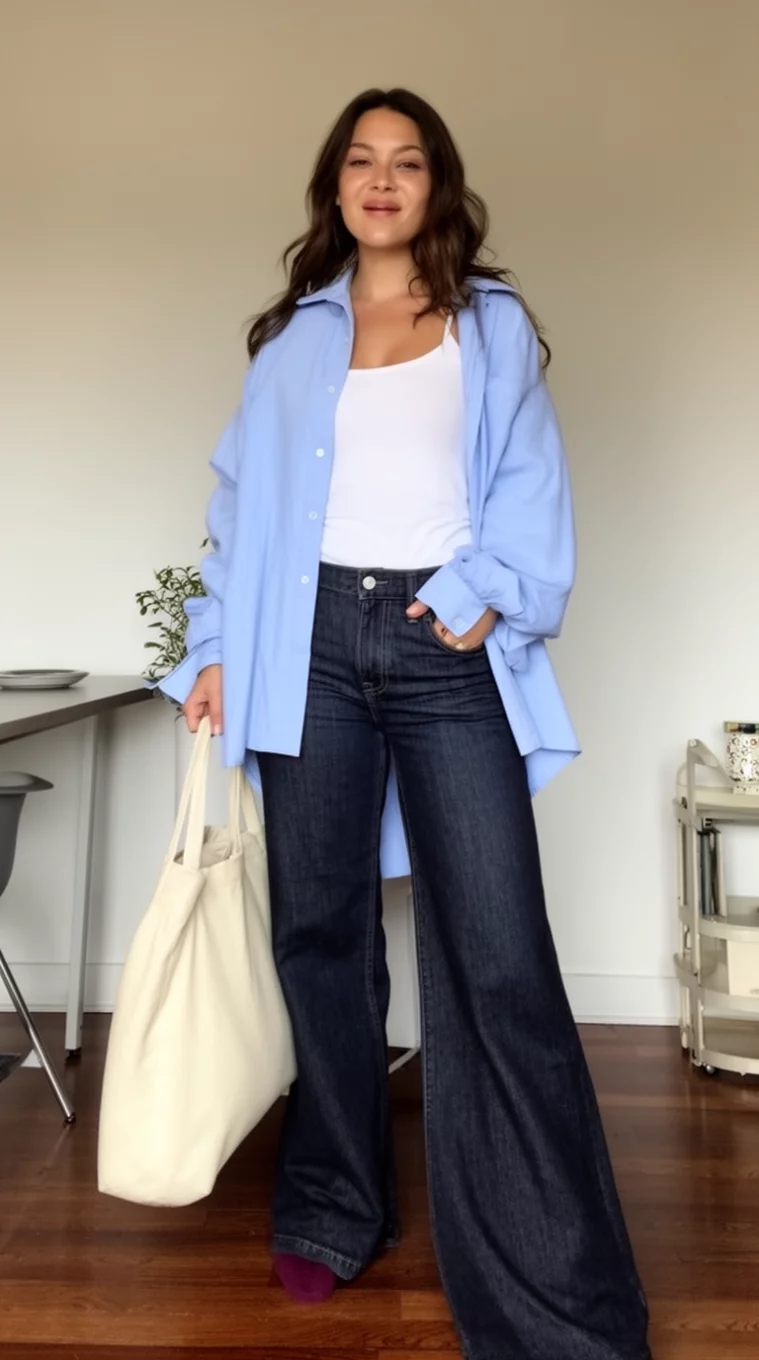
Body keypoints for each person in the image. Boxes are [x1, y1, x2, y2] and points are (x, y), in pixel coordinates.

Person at [158, 88, 652, 1360]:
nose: (383, 181)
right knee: (318, 931)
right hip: (304, 650)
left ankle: (555, 1273)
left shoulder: (487, 324)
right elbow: (238, 513)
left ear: (438, 185)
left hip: (440, 645)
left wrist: (483, 596)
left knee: (495, 950)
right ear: (334, 186)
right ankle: (333, 1209)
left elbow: (532, 490)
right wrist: (215, 649)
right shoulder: (291, 344)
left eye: (409, 161)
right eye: (361, 161)